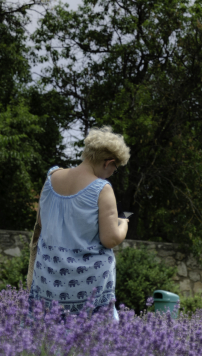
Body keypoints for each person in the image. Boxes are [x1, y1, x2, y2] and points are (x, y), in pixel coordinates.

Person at [27, 127, 130, 320]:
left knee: (43, 338)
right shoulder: (102, 188)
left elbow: (41, 221)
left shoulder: (51, 177)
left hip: (47, 279)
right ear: (108, 163)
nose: (110, 175)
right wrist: (123, 224)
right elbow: (110, 239)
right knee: (91, 342)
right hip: (86, 285)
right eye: (113, 170)